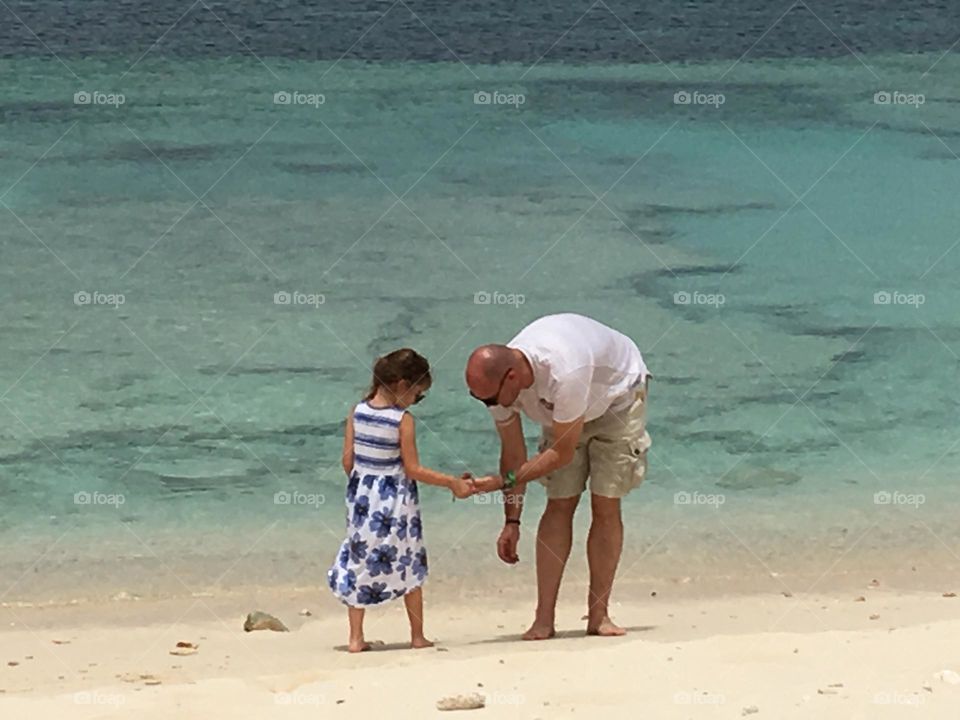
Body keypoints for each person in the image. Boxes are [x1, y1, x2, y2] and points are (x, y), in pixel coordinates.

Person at [465, 313, 651, 640]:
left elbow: (560, 454)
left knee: (604, 502)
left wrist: (498, 482)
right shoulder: (494, 385)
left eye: (489, 399)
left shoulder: (565, 370)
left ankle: (599, 615)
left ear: (511, 377)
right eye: (479, 398)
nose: (487, 405)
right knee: (559, 502)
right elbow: (514, 454)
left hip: (616, 400)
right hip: (563, 411)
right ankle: (544, 619)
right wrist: (512, 521)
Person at [328, 348, 490, 652]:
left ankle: (355, 638)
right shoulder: (402, 420)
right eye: (419, 394)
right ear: (403, 385)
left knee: (358, 560)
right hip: (396, 504)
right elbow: (413, 469)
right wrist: (452, 482)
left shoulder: (357, 412)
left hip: (362, 500)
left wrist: (363, 485)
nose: (417, 401)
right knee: (410, 563)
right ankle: (417, 636)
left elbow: (347, 461)